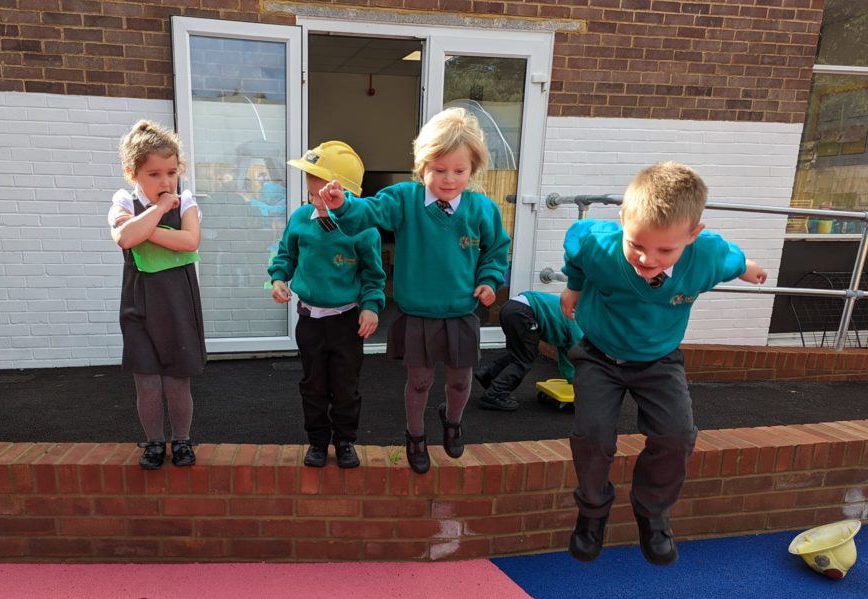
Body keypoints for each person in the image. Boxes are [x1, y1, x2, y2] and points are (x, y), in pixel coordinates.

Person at [559, 161, 768, 565]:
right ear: (622, 220)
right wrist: (573, 287)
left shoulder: (707, 258)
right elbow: (576, 252)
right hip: (599, 354)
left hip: (658, 360)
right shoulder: (597, 243)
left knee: (677, 436)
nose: (646, 259)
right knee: (593, 436)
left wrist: (749, 269)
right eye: (636, 244)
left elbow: (735, 260)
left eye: (664, 250)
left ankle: (652, 512)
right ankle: (592, 511)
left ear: (692, 236)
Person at [320, 108, 511, 474]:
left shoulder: (482, 209)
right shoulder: (405, 200)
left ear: (472, 169)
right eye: (439, 170)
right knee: (420, 380)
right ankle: (416, 434)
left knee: (459, 378)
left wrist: (489, 280)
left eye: (460, 171)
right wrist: (343, 204)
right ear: (423, 166)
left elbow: (496, 250)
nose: (449, 179)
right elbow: (368, 213)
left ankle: (452, 420)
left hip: (460, 311)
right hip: (419, 313)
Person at [268, 141, 385, 468]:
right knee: (314, 385)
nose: (315, 203)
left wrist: (370, 306)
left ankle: (345, 440)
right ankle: (318, 441)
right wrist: (278, 279)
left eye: (324, 198)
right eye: (311, 196)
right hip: (310, 323)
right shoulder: (301, 220)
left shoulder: (363, 230)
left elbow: (374, 275)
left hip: (347, 322)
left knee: (346, 386)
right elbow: (285, 256)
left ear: (347, 195)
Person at [108, 120, 205, 470]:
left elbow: (190, 241)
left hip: (178, 303)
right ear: (132, 173)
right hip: (139, 305)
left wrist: (145, 229)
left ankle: (181, 440)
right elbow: (123, 238)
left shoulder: (187, 200)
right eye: (154, 174)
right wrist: (160, 212)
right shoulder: (122, 200)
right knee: (147, 383)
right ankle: (153, 443)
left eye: (171, 172)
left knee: (177, 382)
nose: (165, 182)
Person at [474, 290, 583, 411]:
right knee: (524, 359)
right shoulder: (578, 322)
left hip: (511, 308)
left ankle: (489, 375)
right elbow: (581, 355)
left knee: (520, 353)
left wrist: (572, 380)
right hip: (523, 312)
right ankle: (495, 394)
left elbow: (566, 356)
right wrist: (583, 383)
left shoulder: (573, 316)